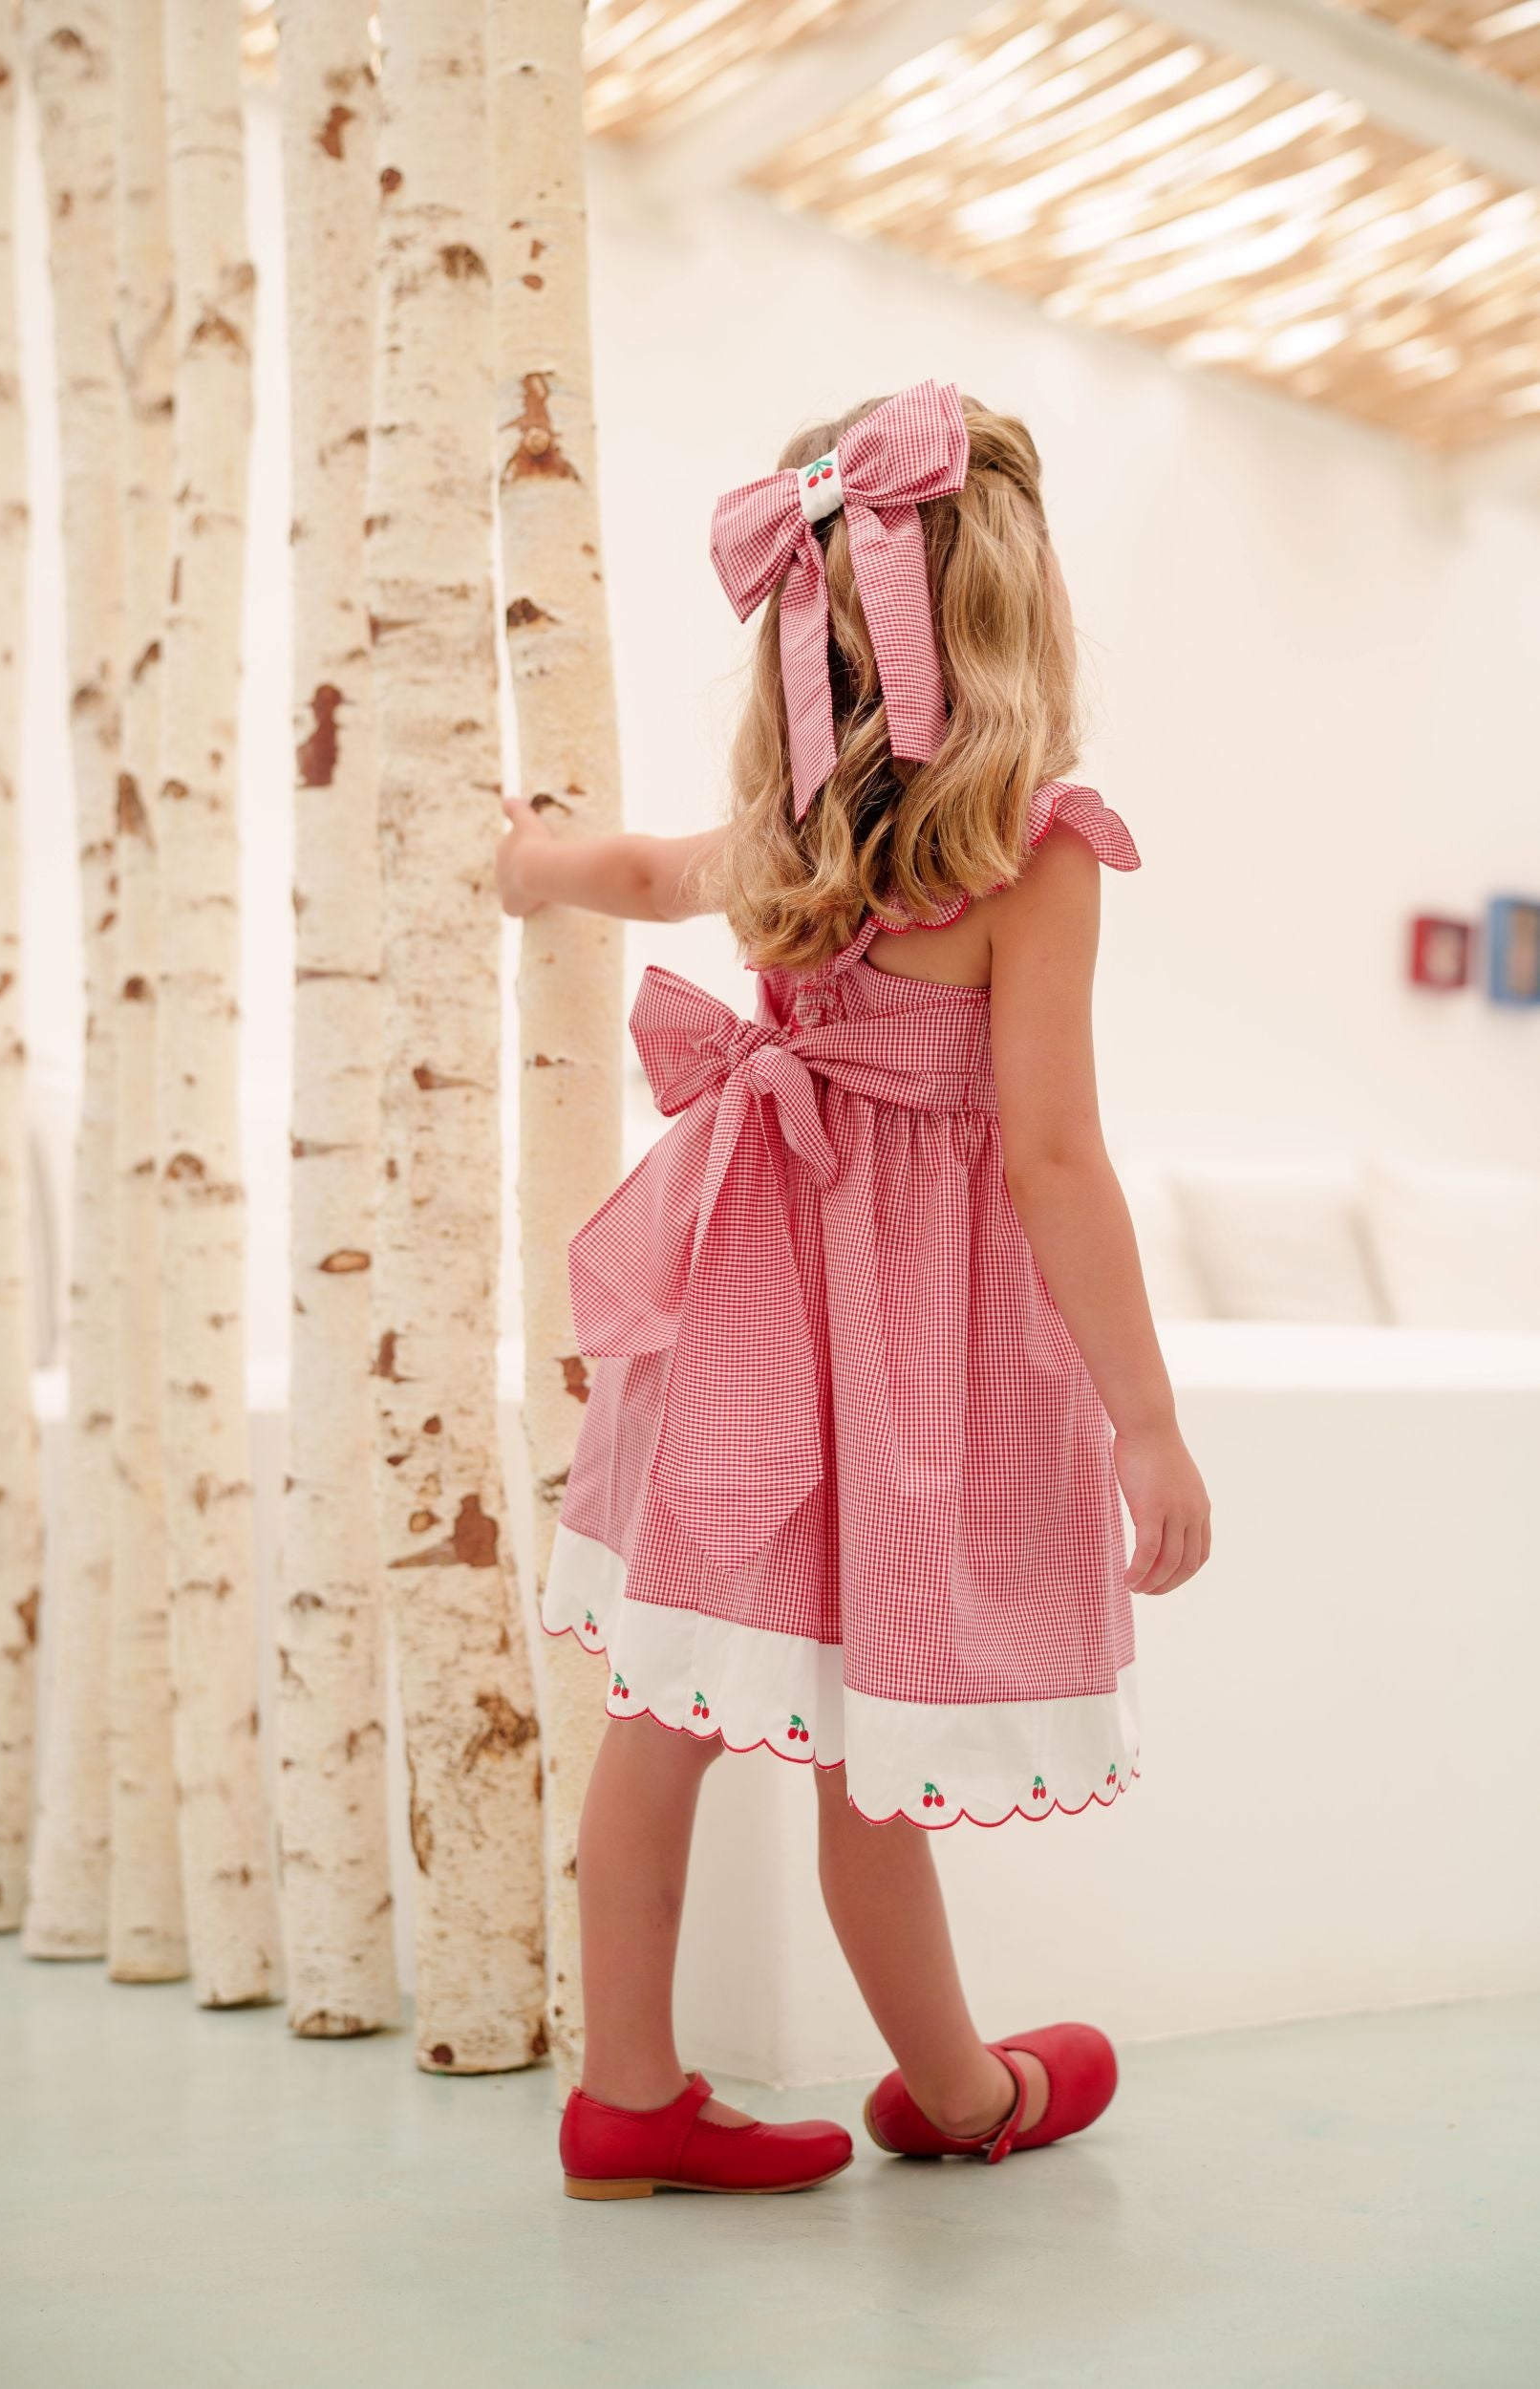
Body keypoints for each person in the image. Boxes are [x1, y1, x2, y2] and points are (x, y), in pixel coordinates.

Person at [498, 381, 1210, 2203]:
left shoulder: (793, 831)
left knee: (663, 1716)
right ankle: (959, 2093)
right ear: (1016, 607)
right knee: (862, 1737)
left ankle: (627, 2096)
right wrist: (1145, 1423)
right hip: (904, 1355)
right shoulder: (1035, 851)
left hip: (746, 1306)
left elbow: (643, 871)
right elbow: (1054, 1159)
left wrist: (529, 866)